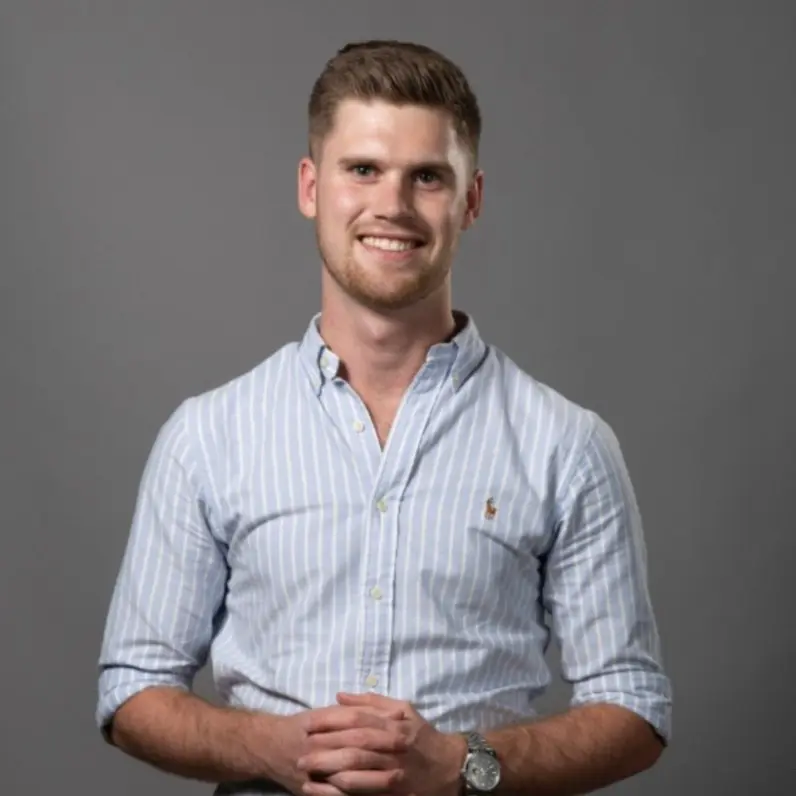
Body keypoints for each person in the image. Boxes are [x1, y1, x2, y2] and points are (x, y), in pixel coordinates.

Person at [96, 39, 672, 796]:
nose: (392, 206)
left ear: (470, 199)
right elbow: (132, 689)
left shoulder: (567, 446)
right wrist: (269, 747)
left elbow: (632, 706)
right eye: (362, 168)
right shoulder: (206, 437)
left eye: (427, 177)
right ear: (311, 186)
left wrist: (463, 766)